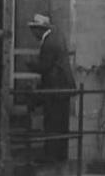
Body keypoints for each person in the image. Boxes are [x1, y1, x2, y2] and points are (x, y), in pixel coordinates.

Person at [27, 13, 75, 162]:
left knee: (53, 121)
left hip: (55, 88)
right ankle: (59, 155)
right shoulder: (56, 38)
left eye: (33, 30)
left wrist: (29, 64)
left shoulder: (49, 43)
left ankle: (51, 155)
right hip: (62, 87)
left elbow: (45, 66)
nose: (32, 34)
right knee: (60, 122)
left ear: (39, 29)